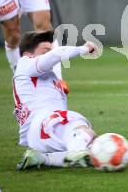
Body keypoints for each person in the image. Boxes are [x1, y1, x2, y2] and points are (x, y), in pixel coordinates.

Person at [14, 30, 98, 170]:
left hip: (38, 136)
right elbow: (56, 54)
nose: (49, 53)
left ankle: (42, 158)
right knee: (79, 126)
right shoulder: (25, 63)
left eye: (50, 50)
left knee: (92, 146)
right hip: (44, 123)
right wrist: (84, 48)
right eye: (45, 51)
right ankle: (77, 152)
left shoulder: (48, 78)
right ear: (28, 55)